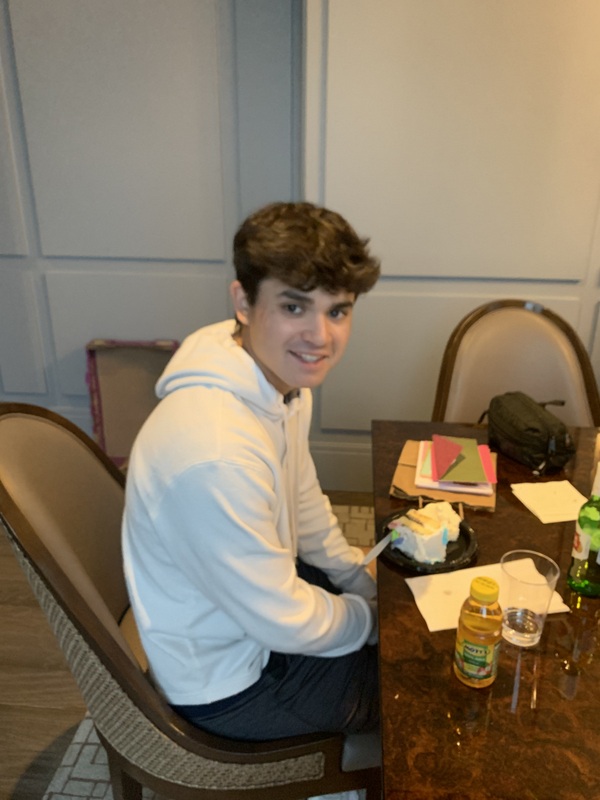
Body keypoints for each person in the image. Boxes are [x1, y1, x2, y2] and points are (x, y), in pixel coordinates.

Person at [122, 201, 381, 742]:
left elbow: (303, 498)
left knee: (390, 607)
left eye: (337, 311)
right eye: (294, 307)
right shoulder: (216, 453)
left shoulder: (277, 378)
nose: (320, 336)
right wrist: (372, 620)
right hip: (228, 685)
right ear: (243, 301)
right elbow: (283, 619)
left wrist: (356, 578)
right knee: (412, 691)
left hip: (250, 615)